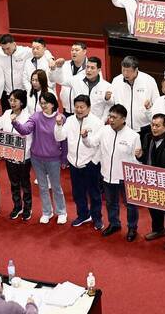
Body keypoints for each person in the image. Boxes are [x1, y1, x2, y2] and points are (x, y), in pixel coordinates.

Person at [12, 92, 68, 224]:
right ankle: (47, 212)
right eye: (41, 103)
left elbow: (64, 141)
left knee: (56, 187)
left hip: (54, 159)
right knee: (43, 187)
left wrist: (64, 159)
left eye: (46, 103)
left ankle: (61, 212)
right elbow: (25, 130)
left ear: (53, 104)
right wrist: (15, 122)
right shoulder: (36, 117)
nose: (43, 106)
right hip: (37, 158)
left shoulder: (60, 118)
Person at [91, 104, 141, 241]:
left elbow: (137, 160)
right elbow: (91, 143)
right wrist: (84, 137)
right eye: (110, 116)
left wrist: (139, 157)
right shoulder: (104, 130)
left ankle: (132, 228)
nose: (111, 120)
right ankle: (114, 224)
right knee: (110, 202)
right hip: (107, 174)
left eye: (114, 117)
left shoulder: (133, 136)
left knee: (130, 205)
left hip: (126, 177)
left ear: (123, 119)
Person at [55, 95, 105, 230]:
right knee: (78, 193)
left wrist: (94, 162)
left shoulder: (97, 123)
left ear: (89, 107)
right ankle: (83, 215)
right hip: (74, 163)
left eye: (82, 107)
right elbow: (60, 137)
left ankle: (97, 218)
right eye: (76, 107)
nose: (79, 110)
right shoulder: (70, 120)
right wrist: (58, 126)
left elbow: (100, 145)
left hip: (90, 164)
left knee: (94, 194)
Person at [135, 114, 165, 249]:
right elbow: (145, 157)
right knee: (153, 206)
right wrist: (140, 156)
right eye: (152, 125)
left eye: (157, 126)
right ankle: (158, 229)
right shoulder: (147, 137)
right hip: (150, 179)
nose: (154, 128)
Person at [0, 89, 33, 221]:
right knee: (14, 183)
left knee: (25, 183)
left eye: (15, 100)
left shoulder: (28, 116)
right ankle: (17, 206)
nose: (12, 103)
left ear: (22, 102)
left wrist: (24, 153)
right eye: (10, 100)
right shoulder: (6, 113)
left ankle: (27, 208)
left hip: (23, 156)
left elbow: (28, 136)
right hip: (9, 155)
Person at [51, 56, 113, 122]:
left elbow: (109, 106)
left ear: (99, 70)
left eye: (92, 68)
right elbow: (60, 81)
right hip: (78, 122)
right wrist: (59, 68)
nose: (89, 70)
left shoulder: (106, 86)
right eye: (87, 67)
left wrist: (102, 122)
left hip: (96, 123)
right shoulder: (77, 80)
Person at [108, 55, 160, 132]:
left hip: (144, 126)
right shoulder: (116, 80)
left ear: (136, 70)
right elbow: (112, 102)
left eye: (128, 71)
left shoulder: (149, 80)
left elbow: (157, 103)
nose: (125, 73)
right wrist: (107, 98)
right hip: (123, 126)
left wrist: (149, 109)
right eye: (123, 70)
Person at [0, 34, 34, 112]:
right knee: (6, 116)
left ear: (14, 44)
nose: (6, 52)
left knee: (24, 115)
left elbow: (44, 51)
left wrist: (51, 59)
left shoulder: (25, 51)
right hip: (6, 94)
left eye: (8, 48)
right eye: (3, 49)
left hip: (22, 92)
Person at [49, 41, 88, 116]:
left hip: (82, 110)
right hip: (66, 109)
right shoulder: (65, 65)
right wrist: (55, 68)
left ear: (84, 51)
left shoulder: (90, 67)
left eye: (77, 50)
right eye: (72, 50)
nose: (74, 52)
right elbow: (53, 79)